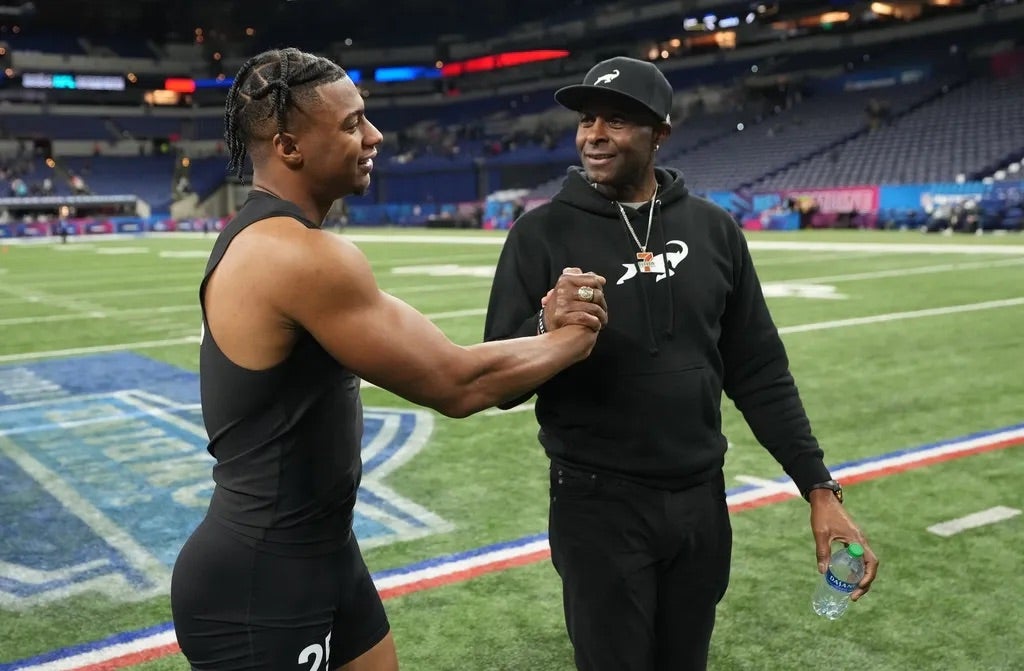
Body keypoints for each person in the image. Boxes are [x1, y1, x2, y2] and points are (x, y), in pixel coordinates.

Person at [170, 48, 609, 671]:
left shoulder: (268, 237)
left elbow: (447, 357)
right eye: (351, 125)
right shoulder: (296, 254)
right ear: (290, 147)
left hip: (323, 555)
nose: (374, 136)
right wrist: (571, 340)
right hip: (261, 582)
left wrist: (543, 328)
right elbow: (457, 384)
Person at [483, 56, 879, 671]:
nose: (594, 134)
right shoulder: (539, 235)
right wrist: (546, 326)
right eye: (588, 120)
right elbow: (499, 380)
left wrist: (819, 489)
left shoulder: (715, 231)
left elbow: (759, 370)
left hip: (700, 502)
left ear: (660, 133)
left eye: (617, 120)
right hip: (597, 504)